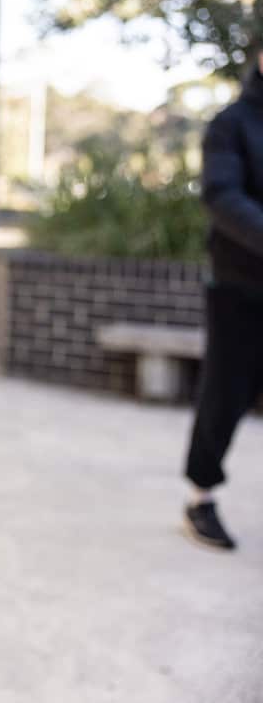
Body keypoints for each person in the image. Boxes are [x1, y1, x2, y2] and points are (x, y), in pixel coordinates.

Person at [182, 49, 263, 551]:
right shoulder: (231, 124)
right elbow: (221, 195)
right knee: (224, 395)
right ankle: (200, 496)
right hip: (241, 286)